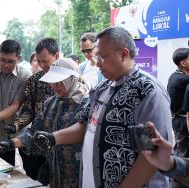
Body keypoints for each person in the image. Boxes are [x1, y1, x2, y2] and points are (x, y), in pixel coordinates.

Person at [33, 26, 174, 187]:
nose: (97, 64)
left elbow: (149, 154)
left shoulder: (144, 91)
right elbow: (86, 125)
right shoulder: (102, 88)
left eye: (101, 57)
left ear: (123, 54)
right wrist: (53, 138)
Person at [0, 58, 89, 187]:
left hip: (79, 174)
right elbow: (34, 131)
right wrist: (10, 144)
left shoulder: (87, 103)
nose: (54, 86)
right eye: (53, 81)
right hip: (54, 171)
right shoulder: (50, 104)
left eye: (60, 82)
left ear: (72, 79)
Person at [3, 38, 59, 179]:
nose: (41, 65)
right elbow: (28, 110)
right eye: (38, 61)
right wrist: (16, 125)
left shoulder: (73, 80)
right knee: (33, 178)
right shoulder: (34, 81)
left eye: (45, 61)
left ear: (56, 56)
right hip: (37, 143)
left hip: (61, 144)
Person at [167, 48, 189, 159]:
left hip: (177, 120)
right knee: (183, 152)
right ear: (183, 63)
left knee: (180, 149)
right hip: (181, 120)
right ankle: (180, 174)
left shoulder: (175, 75)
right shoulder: (182, 79)